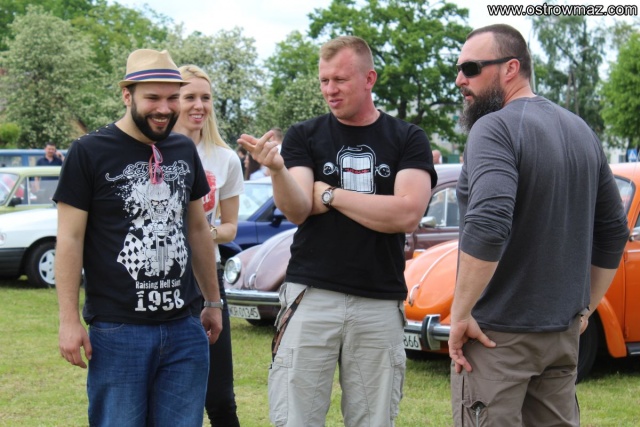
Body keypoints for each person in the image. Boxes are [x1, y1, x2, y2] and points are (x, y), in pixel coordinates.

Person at [238, 35, 437, 427]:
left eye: (341, 80)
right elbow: (298, 209)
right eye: (324, 80)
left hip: (379, 300)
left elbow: (406, 214)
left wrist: (329, 194)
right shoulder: (305, 134)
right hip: (311, 294)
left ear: (369, 79)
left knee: (373, 420)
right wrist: (277, 171)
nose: (330, 89)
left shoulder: (407, 137)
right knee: (296, 418)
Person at [449, 24, 629, 426]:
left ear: (511, 68)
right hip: (560, 336)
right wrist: (586, 307)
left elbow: (489, 222)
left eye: (471, 68)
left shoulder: (492, 127)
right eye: (458, 69)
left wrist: (459, 315)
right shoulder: (581, 131)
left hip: (496, 337)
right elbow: (614, 229)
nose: (460, 79)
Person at [54, 49, 223, 427]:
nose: (164, 108)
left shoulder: (182, 148)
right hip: (119, 331)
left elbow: (197, 229)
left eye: (172, 98)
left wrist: (213, 301)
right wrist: (68, 320)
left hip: (184, 328)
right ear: (127, 95)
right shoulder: (88, 151)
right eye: (153, 98)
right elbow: (69, 239)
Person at [174, 64, 243, 427]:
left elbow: (229, 228)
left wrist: (202, 234)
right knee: (172, 393)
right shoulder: (151, 151)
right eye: (190, 97)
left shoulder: (225, 158)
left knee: (219, 397)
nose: (199, 105)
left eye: (205, 97)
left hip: (207, 278)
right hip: (162, 276)